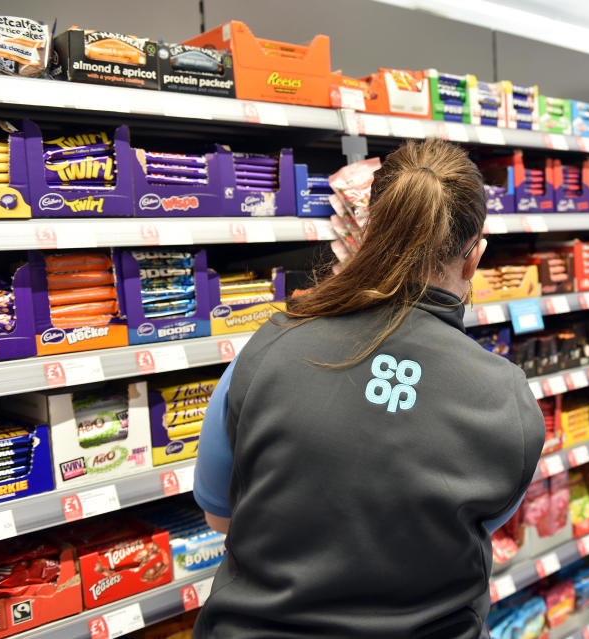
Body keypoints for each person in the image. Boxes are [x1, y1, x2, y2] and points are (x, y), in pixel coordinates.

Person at [193, 138, 545, 638]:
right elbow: (474, 525)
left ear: (366, 234)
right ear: (475, 258)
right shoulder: (507, 399)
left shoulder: (270, 347)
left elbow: (221, 517)